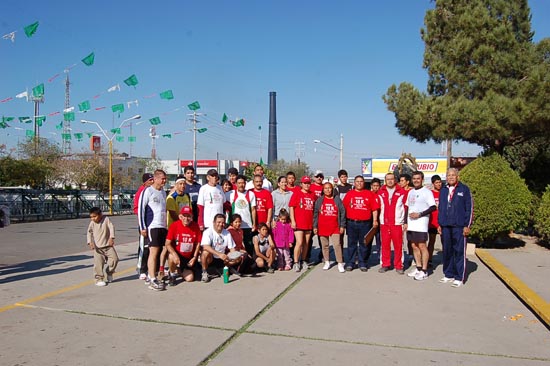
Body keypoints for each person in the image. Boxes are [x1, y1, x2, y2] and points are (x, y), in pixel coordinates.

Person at [438, 168, 473, 288]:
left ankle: (459, 277)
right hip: (445, 226)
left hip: (459, 226)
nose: (451, 177)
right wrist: (439, 224)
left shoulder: (464, 189)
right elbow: (441, 208)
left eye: (453, 175)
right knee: (447, 251)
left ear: (458, 177)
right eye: (448, 175)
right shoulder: (443, 190)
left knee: (459, 251)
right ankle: (448, 274)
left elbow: (469, 208)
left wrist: (466, 226)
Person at [138, 169, 168, 291]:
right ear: (155, 179)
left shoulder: (163, 193)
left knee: (162, 251)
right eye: (162, 179)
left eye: (165, 179)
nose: (164, 181)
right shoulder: (148, 191)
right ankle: (151, 278)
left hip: (162, 226)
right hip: (152, 226)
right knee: (153, 251)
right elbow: (141, 209)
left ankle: (156, 273)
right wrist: (142, 227)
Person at [342, 175, 380, 272]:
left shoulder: (369, 194)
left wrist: (375, 220)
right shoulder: (349, 194)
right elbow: (343, 209)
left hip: (365, 223)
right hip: (351, 223)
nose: (359, 183)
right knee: (351, 244)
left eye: (361, 181)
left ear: (364, 183)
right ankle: (350, 262)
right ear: (354, 183)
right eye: (357, 181)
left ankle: (362, 262)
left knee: (364, 244)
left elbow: (374, 209)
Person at [405, 171, 437, 281]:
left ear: (422, 179)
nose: (416, 180)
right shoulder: (411, 192)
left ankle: (424, 270)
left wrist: (419, 214)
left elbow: (433, 207)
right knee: (413, 245)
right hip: (411, 223)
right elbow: (407, 207)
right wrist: (405, 222)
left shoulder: (427, 192)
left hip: (421, 223)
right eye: (414, 178)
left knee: (422, 245)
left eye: (418, 178)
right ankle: (418, 267)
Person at [163, 174, 192, 276]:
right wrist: (182, 223)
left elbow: (189, 211)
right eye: (180, 184)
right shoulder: (171, 197)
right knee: (170, 250)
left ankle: (181, 268)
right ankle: (167, 270)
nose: (183, 186)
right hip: (174, 227)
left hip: (185, 226)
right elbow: (173, 213)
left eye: (184, 184)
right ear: (176, 185)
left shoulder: (187, 196)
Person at [313, 182, 346, 273]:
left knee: (337, 245)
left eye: (329, 188)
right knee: (325, 245)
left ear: (332, 189)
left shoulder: (337, 199)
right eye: (326, 188)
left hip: (335, 226)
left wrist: (342, 225)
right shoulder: (320, 200)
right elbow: (315, 214)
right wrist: (315, 226)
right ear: (323, 190)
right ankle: (327, 261)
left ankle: (340, 263)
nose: (328, 190)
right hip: (322, 226)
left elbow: (342, 212)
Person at [164, 206, 202, 285]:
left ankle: (180, 270)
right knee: (171, 256)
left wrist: (195, 257)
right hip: (177, 254)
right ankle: (172, 274)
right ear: (180, 216)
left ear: (192, 217)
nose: (186, 218)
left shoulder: (195, 226)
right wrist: (174, 254)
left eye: (189, 216)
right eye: (184, 216)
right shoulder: (174, 225)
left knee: (190, 278)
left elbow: (198, 243)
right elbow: (167, 243)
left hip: (188, 257)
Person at [377, 173, 406, 274]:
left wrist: (405, 222)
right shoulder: (380, 192)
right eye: (388, 179)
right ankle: (385, 264)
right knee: (385, 244)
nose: (390, 181)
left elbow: (406, 208)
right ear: (385, 180)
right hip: (384, 223)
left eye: (392, 179)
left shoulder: (402, 192)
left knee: (398, 245)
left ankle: (399, 265)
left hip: (397, 223)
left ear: (395, 180)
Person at [200, 214, 240, 283]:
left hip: (222, 259)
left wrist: (234, 255)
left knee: (238, 257)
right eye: (218, 222)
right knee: (205, 252)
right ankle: (204, 272)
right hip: (211, 258)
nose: (221, 224)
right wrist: (219, 254)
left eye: (223, 222)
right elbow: (205, 246)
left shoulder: (227, 233)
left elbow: (232, 248)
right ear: (214, 222)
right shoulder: (207, 232)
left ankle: (225, 268)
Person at [289, 176, 317, 272]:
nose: (307, 185)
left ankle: (303, 260)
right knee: (299, 242)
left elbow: (316, 208)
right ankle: (296, 262)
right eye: (305, 183)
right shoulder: (296, 193)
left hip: (309, 223)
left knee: (306, 243)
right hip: (299, 223)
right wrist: (293, 221)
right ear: (301, 184)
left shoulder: (313, 195)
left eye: (308, 183)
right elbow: (291, 207)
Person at [87, 207, 118, 286]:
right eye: (91, 217)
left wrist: (111, 237)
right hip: (98, 248)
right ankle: (99, 279)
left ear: (100, 215)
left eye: (94, 216)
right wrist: (90, 242)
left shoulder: (106, 219)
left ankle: (110, 272)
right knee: (98, 264)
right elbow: (89, 233)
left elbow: (111, 227)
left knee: (115, 260)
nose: (93, 218)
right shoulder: (92, 223)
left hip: (108, 246)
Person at [227, 174, 257, 254]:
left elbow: (253, 209)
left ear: (245, 183)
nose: (241, 185)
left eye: (243, 183)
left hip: (247, 225)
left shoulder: (250, 194)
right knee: (235, 246)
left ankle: (249, 264)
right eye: (239, 183)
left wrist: (254, 223)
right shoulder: (230, 194)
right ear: (236, 184)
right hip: (235, 225)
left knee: (248, 245)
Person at [133, 173, 154, 280]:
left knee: (153, 247)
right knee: (144, 247)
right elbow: (137, 209)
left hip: (153, 224)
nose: (152, 182)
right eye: (150, 180)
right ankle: (141, 268)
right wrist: (142, 224)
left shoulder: (153, 191)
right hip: (144, 224)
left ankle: (152, 268)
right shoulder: (141, 192)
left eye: (153, 180)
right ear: (145, 182)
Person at [428, 174, 443, 267]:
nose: (439, 184)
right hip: (432, 222)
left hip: (442, 221)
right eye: (437, 182)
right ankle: (429, 259)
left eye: (440, 182)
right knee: (431, 241)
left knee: (444, 241)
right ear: (433, 183)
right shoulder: (430, 193)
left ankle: (446, 260)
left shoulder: (444, 192)